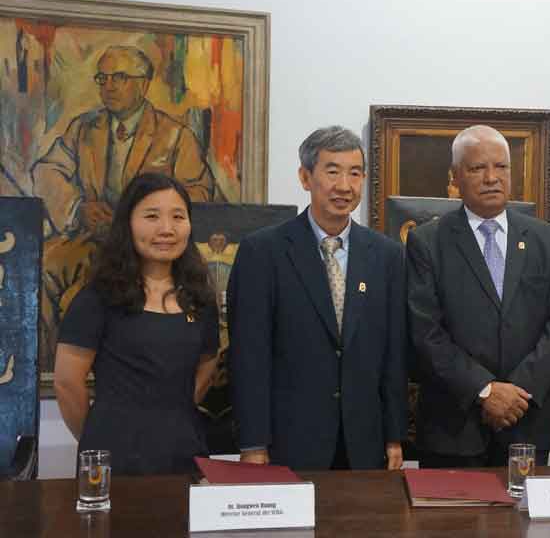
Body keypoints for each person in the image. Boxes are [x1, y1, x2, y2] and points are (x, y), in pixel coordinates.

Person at [227, 126, 407, 471]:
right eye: (333, 171)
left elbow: (393, 354)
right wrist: (253, 442)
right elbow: (249, 356)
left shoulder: (386, 255)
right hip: (288, 440)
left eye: (355, 173)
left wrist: (394, 435)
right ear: (305, 177)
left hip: (364, 442)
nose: (345, 186)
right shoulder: (263, 251)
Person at [33, 45, 216, 367]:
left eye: (119, 77)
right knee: (44, 265)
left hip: (149, 253)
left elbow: (199, 192)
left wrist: (151, 215)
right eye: (102, 78)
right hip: (91, 240)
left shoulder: (175, 135)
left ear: (143, 84)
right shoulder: (84, 128)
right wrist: (77, 207)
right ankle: (46, 365)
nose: (109, 86)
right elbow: (47, 170)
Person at [407, 125, 550, 468]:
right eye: (477, 168)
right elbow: (425, 332)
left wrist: (516, 392)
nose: (491, 178)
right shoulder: (427, 241)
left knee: (522, 506)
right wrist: (485, 390)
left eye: (501, 167)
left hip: (525, 421)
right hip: (453, 428)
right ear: (455, 177)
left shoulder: (547, 240)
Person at [52, 173, 219, 475]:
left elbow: (208, 363)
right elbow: (66, 383)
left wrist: (169, 415)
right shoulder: (98, 298)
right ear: (127, 223)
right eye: (152, 216)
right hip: (114, 458)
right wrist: (99, 437)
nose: (166, 229)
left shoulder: (200, 299)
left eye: (178, 217)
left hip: (185, 451)